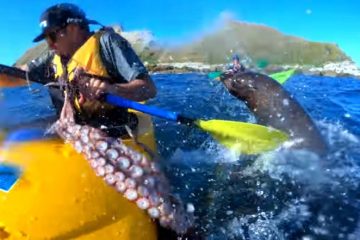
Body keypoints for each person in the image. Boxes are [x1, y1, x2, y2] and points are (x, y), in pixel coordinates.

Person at [25, 3, 156, 137]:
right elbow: (19, 74)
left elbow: (149, 89)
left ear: (73, 28)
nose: (50, 45)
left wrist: (112, 89)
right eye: (47, 39)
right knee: (20, 131)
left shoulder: (108, 43)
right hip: (70, 128)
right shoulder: (53, 58)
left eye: (52, 36)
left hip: (112, 131)